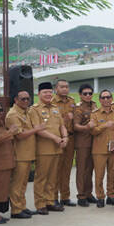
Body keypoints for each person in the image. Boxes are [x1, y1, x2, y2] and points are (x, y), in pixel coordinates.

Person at [29, 82, 68, 215]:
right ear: (39, 94)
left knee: (53, 177)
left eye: (50, 92)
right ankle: (40, 204)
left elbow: (61, 125)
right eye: (45, 92)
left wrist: (65, 137)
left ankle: (50, 201)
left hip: (57, 148)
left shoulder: (55, 108)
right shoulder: (34, 109)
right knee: (41, 177)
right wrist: (55, 138)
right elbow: (38, 130)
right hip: (44, 149)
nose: (48, 94)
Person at [6, 90, 44, 219]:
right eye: (23, 99)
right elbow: (20, 135)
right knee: (17, 183)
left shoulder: (26, 112)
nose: (26, 101)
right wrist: (36, 129)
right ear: (16, 100)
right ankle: (16, 209)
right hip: (19, 154)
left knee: (23, 183)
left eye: (28, 99)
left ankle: (21, 206)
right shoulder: (13, 115)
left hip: (27, 153)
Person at [89, 89, 114, 207]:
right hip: (99, 149)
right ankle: (100, 197)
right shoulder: (95, 114)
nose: (106, 100)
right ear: (99, 100)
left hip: (113, 149)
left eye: (108, 97)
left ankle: (111, 195)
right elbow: (93, 131)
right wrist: (104, 125)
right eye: (103, 98)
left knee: (112, 174)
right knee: (99, 175)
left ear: (111, 98)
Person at [51, 79, 77, 207]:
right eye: (62, 87)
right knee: (56, 169)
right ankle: (53, 197)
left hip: (70, 138)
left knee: (67, 169)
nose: (65, 89)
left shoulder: (71, 101)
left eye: (67, 87)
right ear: (56, 88)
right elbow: (51, 121)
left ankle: (65, 197)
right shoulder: (52, 102)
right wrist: (65, 119)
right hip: (58, 139)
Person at [72, 84, 97, 207]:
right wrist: (86, 127)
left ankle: (89, 193)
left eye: (90, 93)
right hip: (83, 141)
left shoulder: (94, 105)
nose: (88, 95)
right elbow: (75, 125)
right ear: (80, 95)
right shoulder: (78, 108)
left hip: (94, 141)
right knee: (82, 169)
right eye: (85, 93)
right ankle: (81, 196)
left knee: (90, 169)